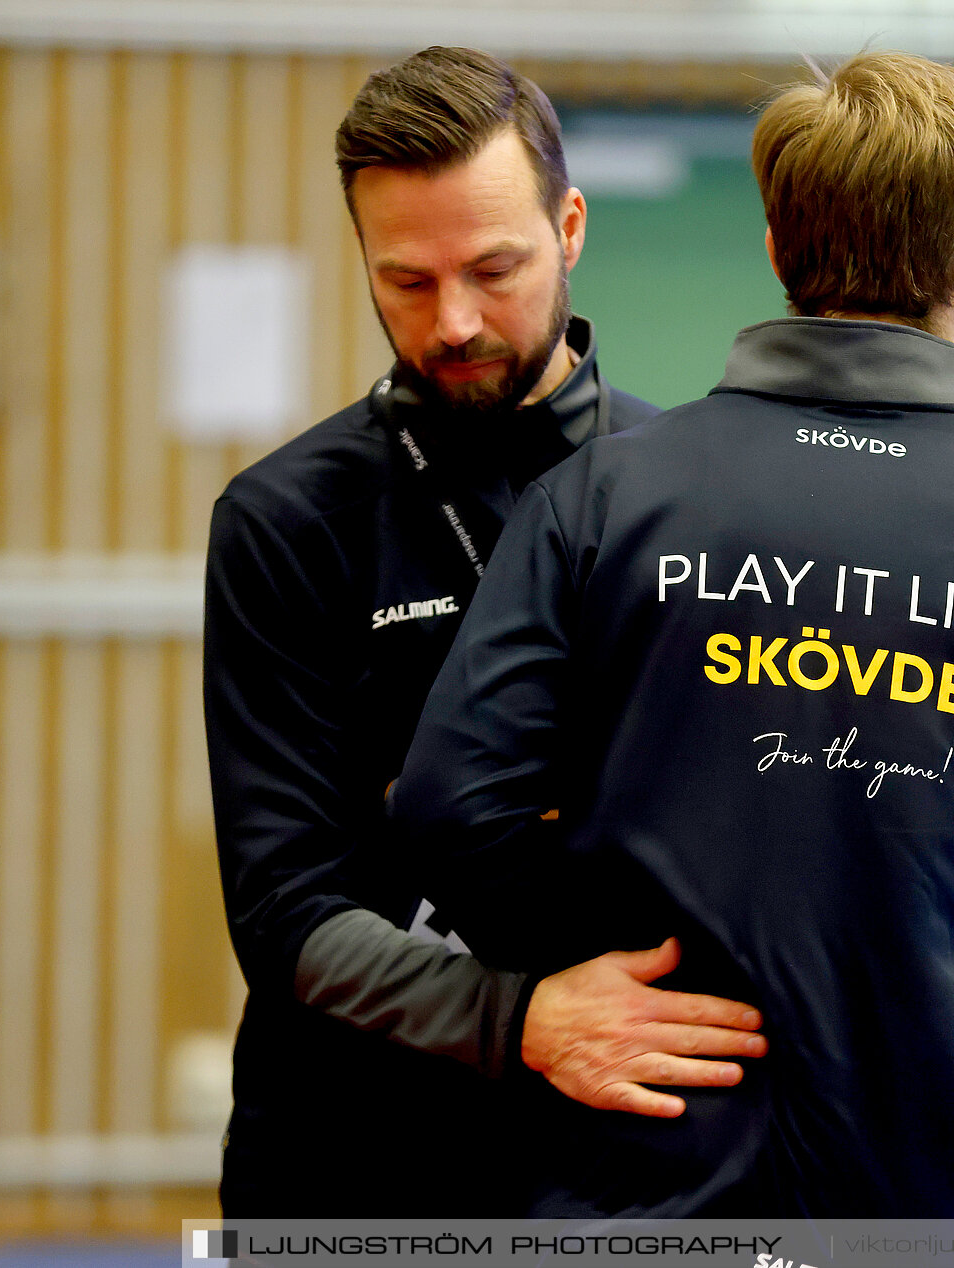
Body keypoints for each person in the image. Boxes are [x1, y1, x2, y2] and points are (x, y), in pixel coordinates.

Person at [391, 50, 954, 1217]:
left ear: (777, 252)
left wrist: (611, 932)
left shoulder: (601, 499)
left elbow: (449, 812)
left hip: (642, 1186)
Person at [203, 46, 766, 1216]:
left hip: (619, 1156)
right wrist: (522, 1017)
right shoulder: (285, 519)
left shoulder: (699, 498)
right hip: (342, 1157)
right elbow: (283, 910)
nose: (454, 321)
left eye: (492, 268)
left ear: (569, 227)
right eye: (407, 280)